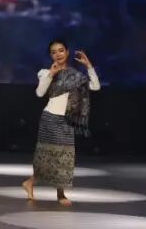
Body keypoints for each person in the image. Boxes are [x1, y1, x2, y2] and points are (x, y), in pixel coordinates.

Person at [22, 39, 99, 205]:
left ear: (67, 52)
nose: (58, 54)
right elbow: (39, 93)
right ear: (51, 55)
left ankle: (60, 193)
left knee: (65, 158)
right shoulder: (45, 72)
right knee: (46, 158)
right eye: (54, 52)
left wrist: (89, 66)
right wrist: (51, 74)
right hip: (50, 118)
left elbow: (95, 86)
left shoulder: (76, 76)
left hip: (67, 120)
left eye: (61, 50)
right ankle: (30, 183)